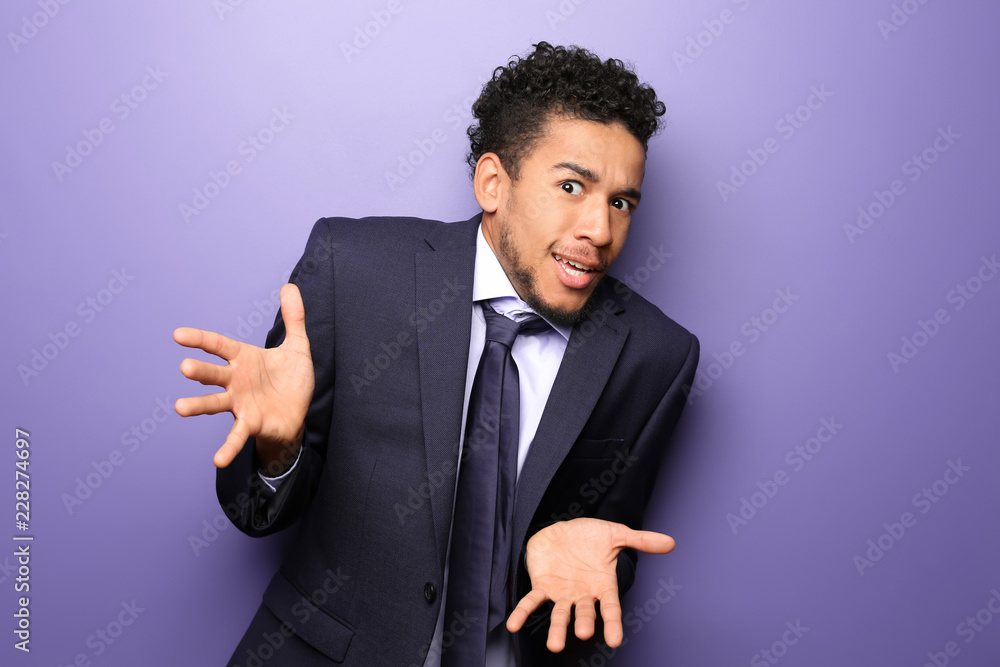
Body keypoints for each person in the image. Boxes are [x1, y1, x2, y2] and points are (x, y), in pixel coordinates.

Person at [173, 42, 699, 667]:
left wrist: (580, 568)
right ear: (493, 182)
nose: (600, 230)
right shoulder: (355, 270)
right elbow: (255, 514)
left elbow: (607, 553)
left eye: (621, 201)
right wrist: (277, 450)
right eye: (571, 186)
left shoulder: (655, 357)